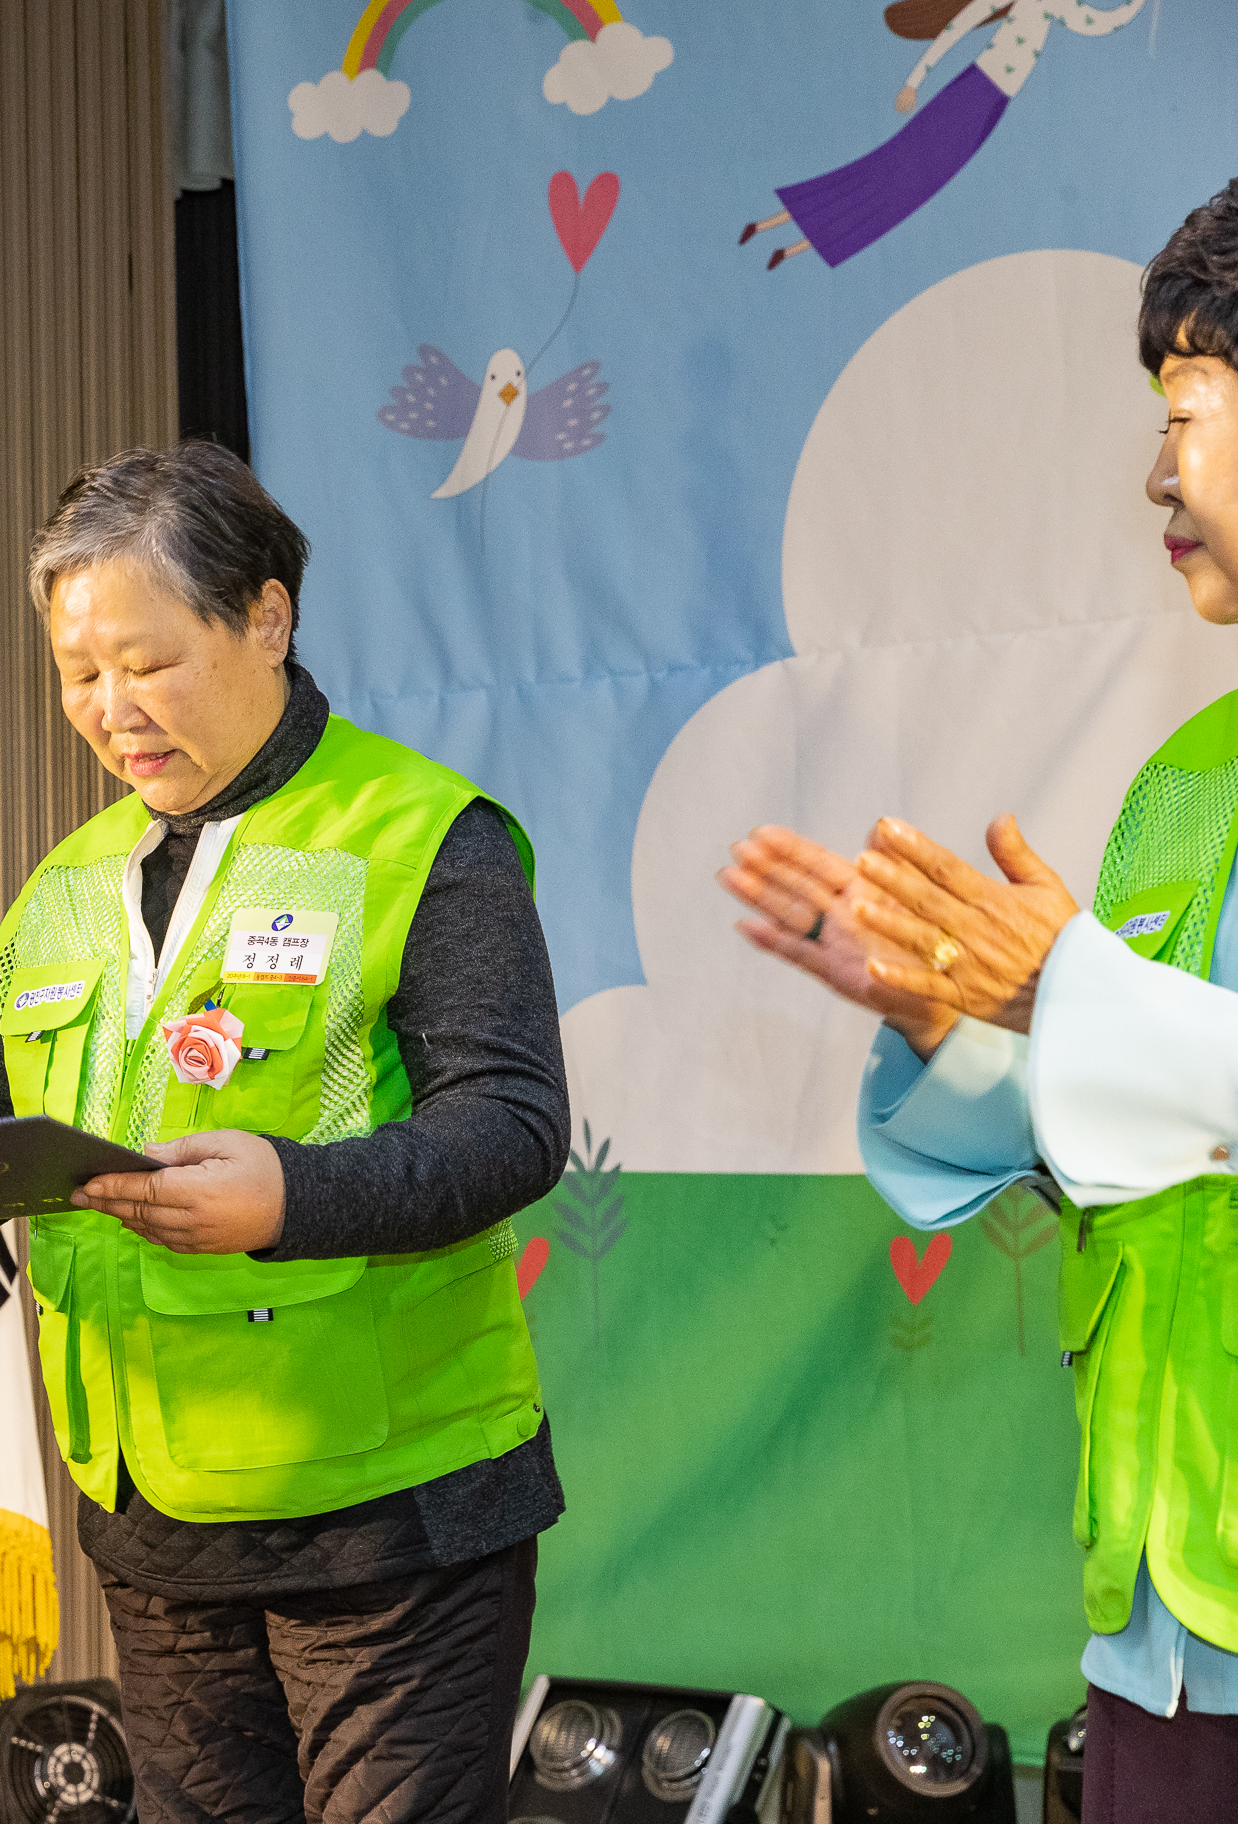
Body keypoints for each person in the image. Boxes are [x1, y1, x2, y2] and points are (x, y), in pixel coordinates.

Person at [0, 441, 571, 1824]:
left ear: (266, 618)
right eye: (77, 674)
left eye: (145, 662)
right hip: (156, 1525)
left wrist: (293, 1196)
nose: (110, 709)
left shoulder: (421, 838)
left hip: (392, 1519)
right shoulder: (66, 885)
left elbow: (512, 1129)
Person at [720, 181, 1238, 1816]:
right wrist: (955, 1023)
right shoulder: (1183, 778)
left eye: (1189, 412)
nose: (1155, 470)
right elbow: (1132, 1139)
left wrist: (1068, 987)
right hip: (1168, 1612)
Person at [740, 0, 1144, 272]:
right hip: (973, 93)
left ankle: (791, 246)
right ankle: (772, 225)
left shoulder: (1062, 5)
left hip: (992, 107)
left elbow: (1102, 22)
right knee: (891, 169)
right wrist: (913, 82)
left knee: (910, 191)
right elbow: (955, 28)